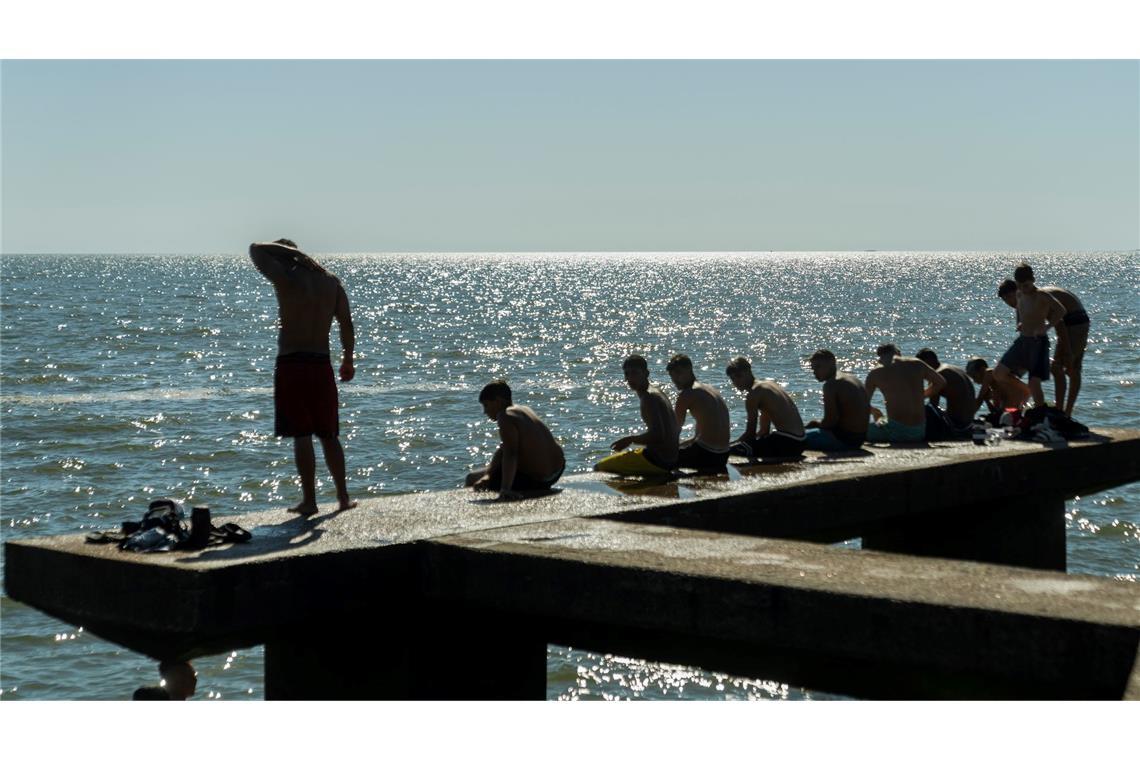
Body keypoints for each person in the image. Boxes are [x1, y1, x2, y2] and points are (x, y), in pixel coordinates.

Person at [249, 239, 356, 516]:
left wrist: (292, 253)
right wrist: (348, 358)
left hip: (292, 363)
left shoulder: (285, 276)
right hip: (321, 364)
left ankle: (310, 501)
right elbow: (346, 322)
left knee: (302, 434)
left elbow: (255, 248)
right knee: (329, 434)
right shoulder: (331, 282)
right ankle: (343, 498)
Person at [998, 277, 1088, 416]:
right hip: (1066, 318)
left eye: (1010, 297)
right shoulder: (1022, 300)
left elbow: (1060, 326)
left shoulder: (1037, 299)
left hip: (1076, 319)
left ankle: (1065, 413)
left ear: (1018, 290)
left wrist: (1068, 351)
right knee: (1056, 366)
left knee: (1072, 368)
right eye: (1004, 300)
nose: (1009, 302)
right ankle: (1060, 412)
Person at [465, 381, 566, 499]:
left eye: (486, 405)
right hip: (557, 471)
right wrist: (488, 475)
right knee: (498, 459)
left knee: (471, 478)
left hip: (539, 479)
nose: (485, 411)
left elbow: (511, 454)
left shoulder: (504, 416)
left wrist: (505, 489)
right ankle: (489, 476)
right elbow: (504, 449)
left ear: (498, 401)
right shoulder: (523, 409)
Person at [993, 263, 1070, 410]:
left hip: (1038, 342)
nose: (1023, 288)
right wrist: (1019, 322)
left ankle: (1040, 411)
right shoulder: (1020, 294)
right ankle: (1024, 392)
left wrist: (1047, 327)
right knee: (999, 373)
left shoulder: (1042, 295)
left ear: (1033, 280)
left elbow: (1061, 310)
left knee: (1034, 382)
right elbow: (1019, 308)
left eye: (1026, 285)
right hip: (1022, 341)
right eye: (1020, 285)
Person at [595, 355, 679, 477]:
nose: (630, 378)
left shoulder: (648, 398)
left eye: (634, 373)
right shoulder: (656, 392)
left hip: (658, 461)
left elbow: (658, 435)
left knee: (599, 468)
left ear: (646, 373)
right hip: (670, 459)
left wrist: (630, 440)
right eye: (627, 374)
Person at [724, 357, 806, 458]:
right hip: (801, 441)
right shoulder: (768, 385)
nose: (736, 381)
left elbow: (750, 434)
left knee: (729, 451)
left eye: (739, 376)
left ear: (749, 371)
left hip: (788, 443)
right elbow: (764, 431)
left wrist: (729, 446)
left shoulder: (753, 394)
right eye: (733, 379)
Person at [864, 344, 946, 443]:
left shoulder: (876, 372)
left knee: (856, 431)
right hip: (919, 431)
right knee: (882, 418)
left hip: (896, 433)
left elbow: (862, 404)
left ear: (880, 356)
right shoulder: (917, 363)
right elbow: (940, 382)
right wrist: (921, 397)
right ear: (899, 353)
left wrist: (874, 411)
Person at [667, 354, 732, 472]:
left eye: (678, 373)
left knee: (660, 457)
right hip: (723, 456)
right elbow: (698, 437)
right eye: (672, 375)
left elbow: (674, 431)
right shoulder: (709, 389)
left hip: (706, 456)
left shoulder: (687, 394)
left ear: (689, 370)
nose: (675, 379)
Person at [803, 349, 870, 451]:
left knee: (792, 439)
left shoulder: (831, 384)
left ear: (831, 364)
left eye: (818, 367)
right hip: (859, 439)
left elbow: (830, 421)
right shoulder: (852, 378)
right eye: (813, 368)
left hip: (844, 441)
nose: (814, 372)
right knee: (811, 426)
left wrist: (816, 426)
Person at [914, 348, 976, 439]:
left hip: (958, 425)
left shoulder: (939, 374)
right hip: (969, 422)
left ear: (927, 362)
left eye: (921, 366)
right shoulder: (953, 368)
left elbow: (933, 405)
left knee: (927, 410)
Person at [966, 357, 1030, 421]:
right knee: (997, 416)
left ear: (982, 370)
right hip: (1021, 397)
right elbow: (995, 411)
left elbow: (980, 399)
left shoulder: (989, 373)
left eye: (974, 376)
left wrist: (967, 416)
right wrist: (987, 401)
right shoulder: (995, 387)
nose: (974, 381)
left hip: (1017, 397)